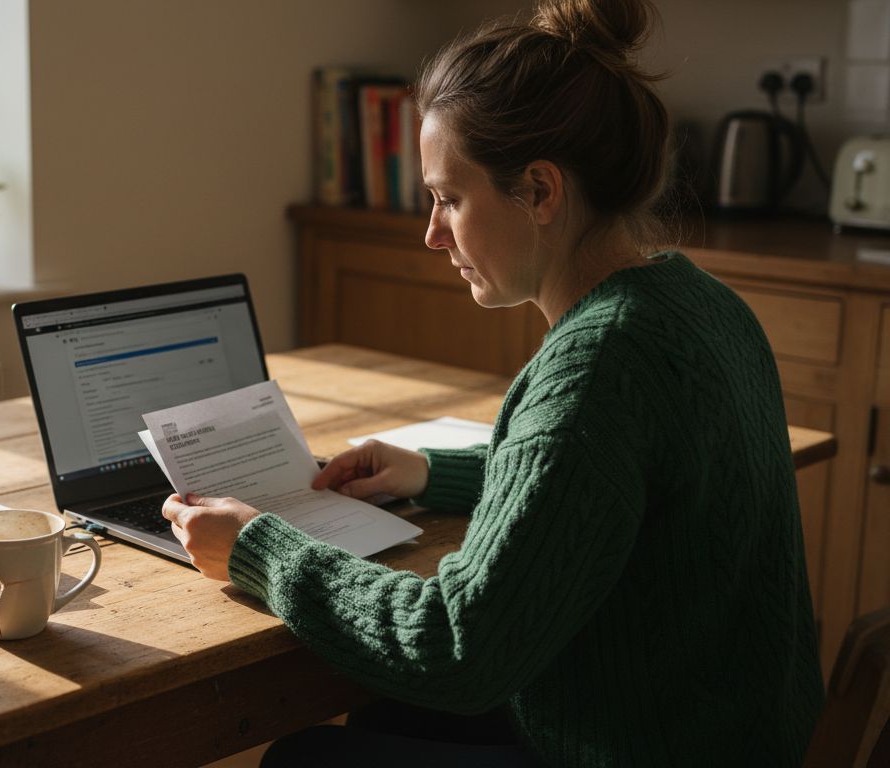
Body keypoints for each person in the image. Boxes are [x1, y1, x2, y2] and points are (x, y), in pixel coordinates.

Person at [160, 0, 826, 764]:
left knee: (306, 756)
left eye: (449, 198)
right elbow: (602, 482)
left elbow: (455, 649)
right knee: (388, 720)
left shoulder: (597, 366)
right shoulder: (699, 302)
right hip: (733, 729)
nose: (432, 233)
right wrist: (431, 472)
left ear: (541, 192)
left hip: (651, 746)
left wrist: (259, 548)